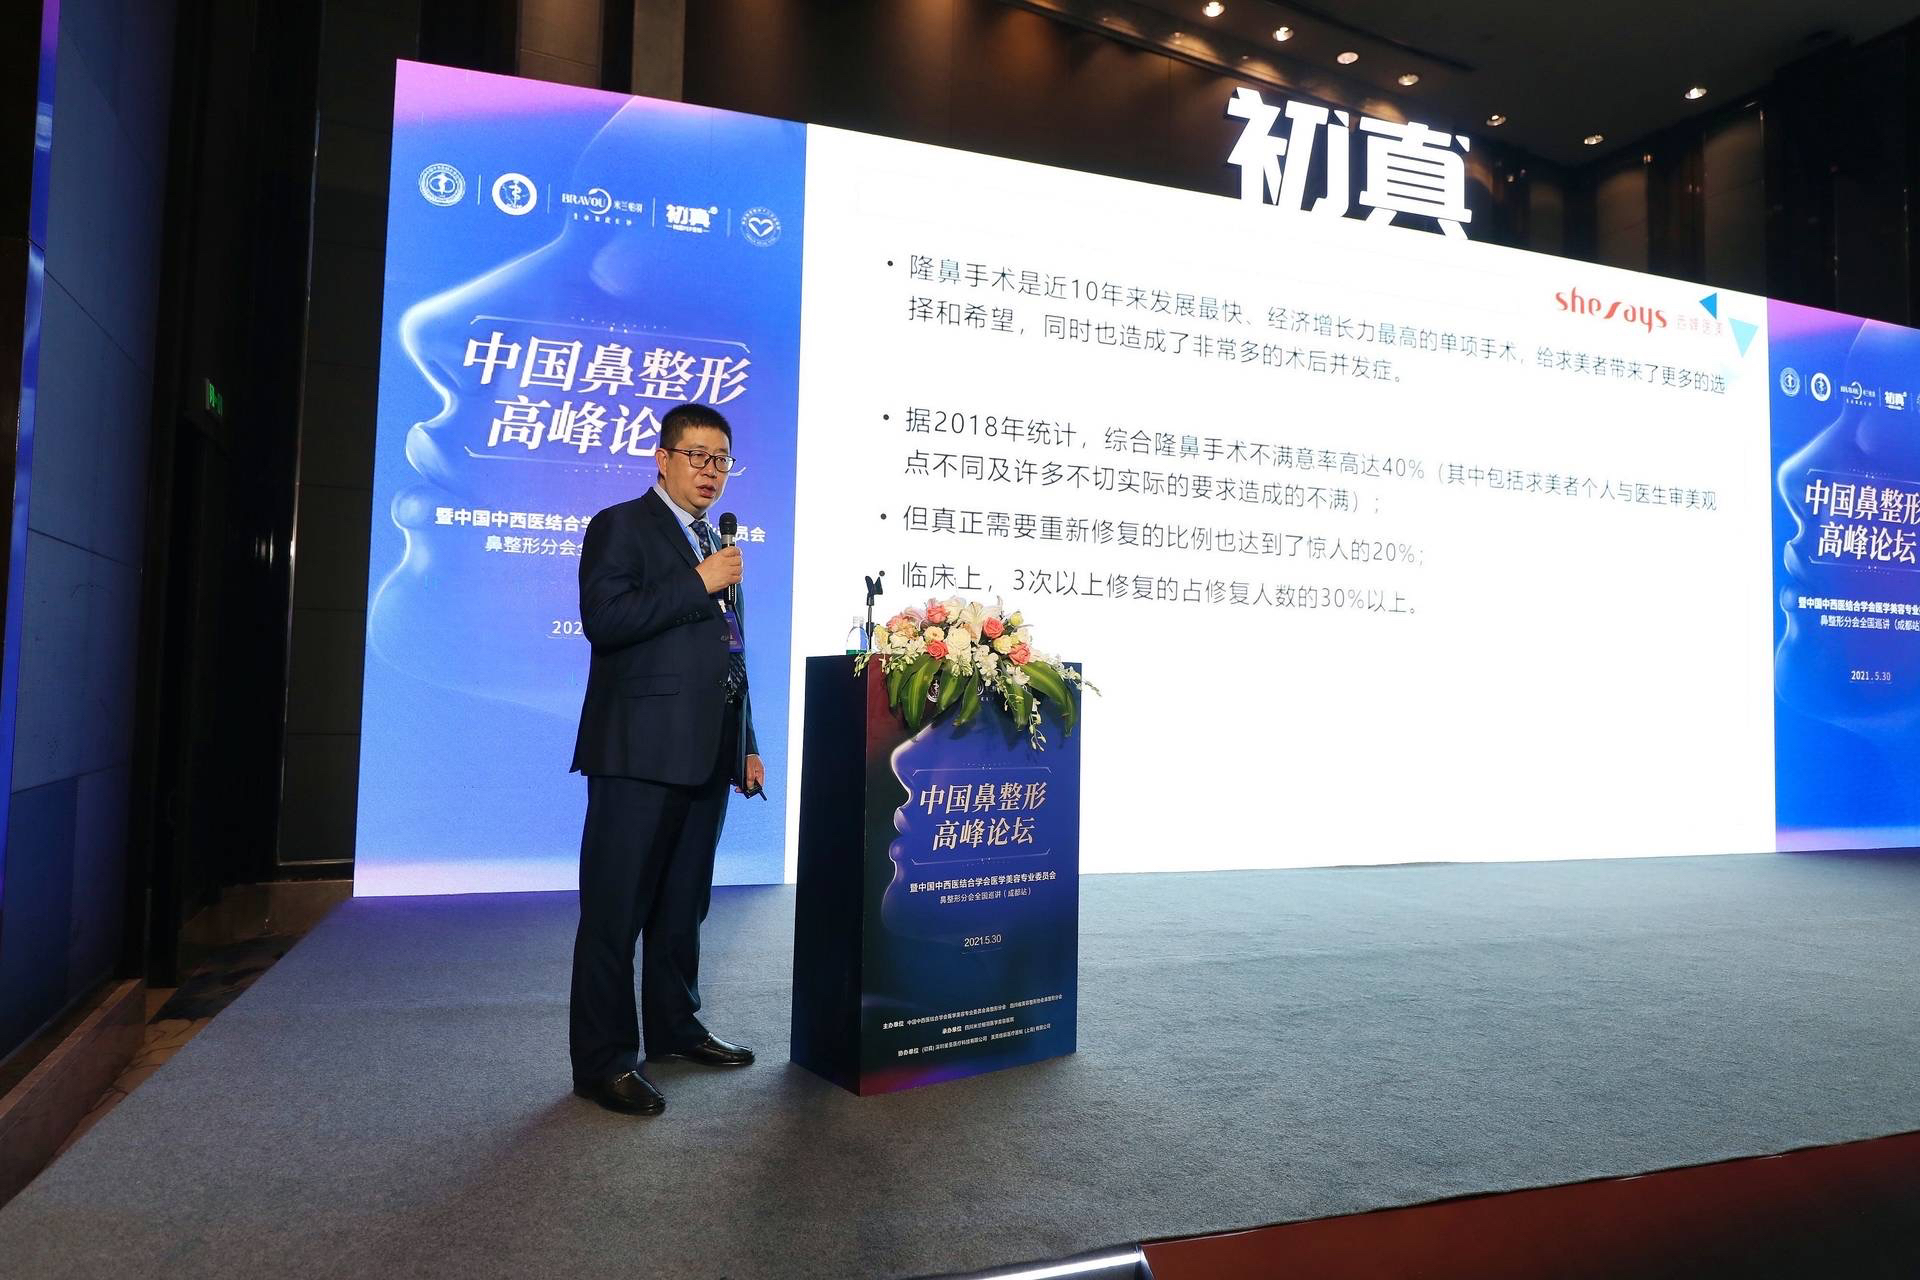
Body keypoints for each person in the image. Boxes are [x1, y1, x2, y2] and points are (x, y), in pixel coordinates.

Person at [567, 402, 766, 1116]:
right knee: (615, 912)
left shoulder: (716, 543)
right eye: (697, 456)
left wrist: (747, 743)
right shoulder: (621, 526)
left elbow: (731, 650)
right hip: (637, 754)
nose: (710, 471)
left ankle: (676, 1029)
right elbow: (605, 620)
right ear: (662, 457)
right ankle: (604, 1063)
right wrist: (698, 582)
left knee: (683, 907)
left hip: (707, 753)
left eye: (721, 460)